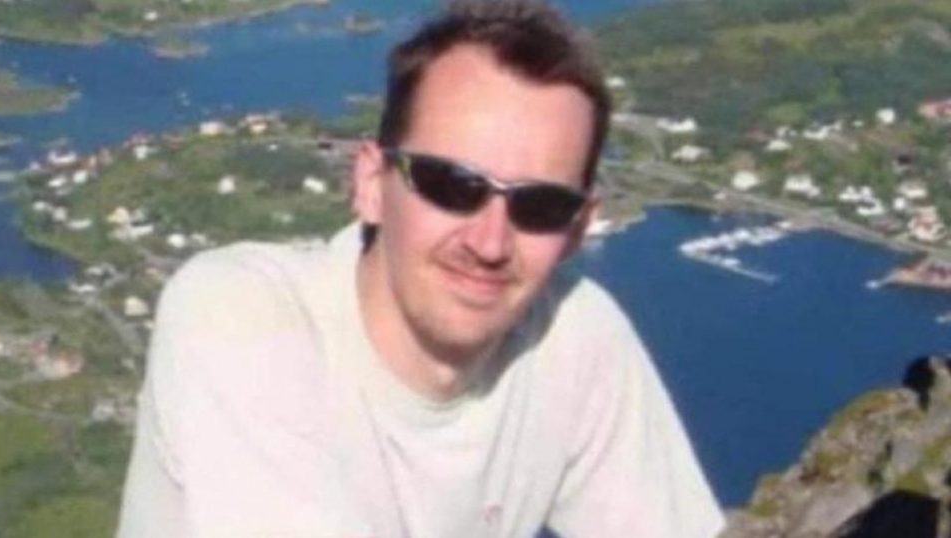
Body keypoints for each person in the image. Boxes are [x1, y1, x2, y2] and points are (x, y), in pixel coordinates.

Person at [117, 1, 724, 537]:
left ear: (576, 230)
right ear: (371, 185)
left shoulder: (576, 338)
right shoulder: (238, 312)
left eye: (541, 206)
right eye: (451, 184)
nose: (489, 242)